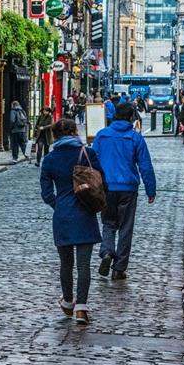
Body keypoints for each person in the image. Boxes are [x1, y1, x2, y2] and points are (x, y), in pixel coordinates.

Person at [40, 118, 104, 324]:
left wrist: (58, 205)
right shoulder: (87, 154)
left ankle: (68, 301)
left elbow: (46, 193)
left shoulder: (49, 159)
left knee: (66, 263)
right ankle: (81, 309)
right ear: (75, 132)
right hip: (85, 212)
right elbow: (101, 180)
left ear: (55, 135)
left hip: (63, 215)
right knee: (84, 265)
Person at [93, 103, 156, 280]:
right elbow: (145, 166)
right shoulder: (135, 138)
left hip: (106, 187)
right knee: (126, 228)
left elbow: (92, 160)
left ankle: (106, 251)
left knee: (108, 223)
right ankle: (119, 268)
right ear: (130, 118)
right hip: (128, 188)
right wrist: (151, 190)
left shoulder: (102, 135)